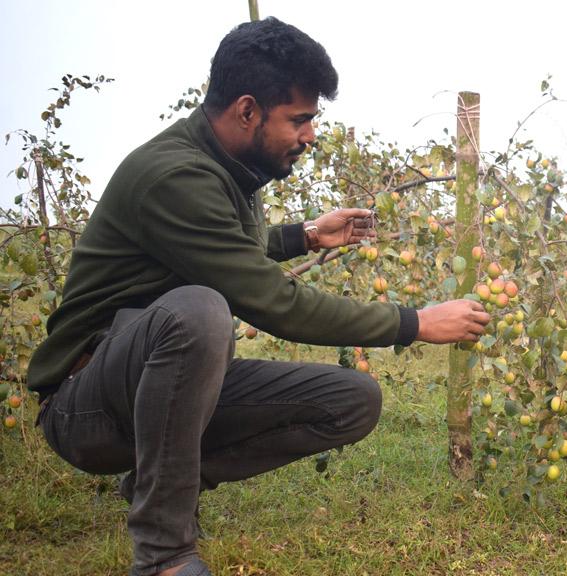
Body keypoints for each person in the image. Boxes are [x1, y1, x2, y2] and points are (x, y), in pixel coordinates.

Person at [28, 18, 490, 576]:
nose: (311, 134)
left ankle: (160, 479)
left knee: (352, 399)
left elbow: (219, 247)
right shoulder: (174, 175)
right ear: (247, 110)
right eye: (300, 119)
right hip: (86, 404)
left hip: (155, 392)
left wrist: (305, 236)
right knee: (199, 312)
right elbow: (273, 302)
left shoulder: (231, 166)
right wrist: (414, 322)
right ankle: (164, 556)